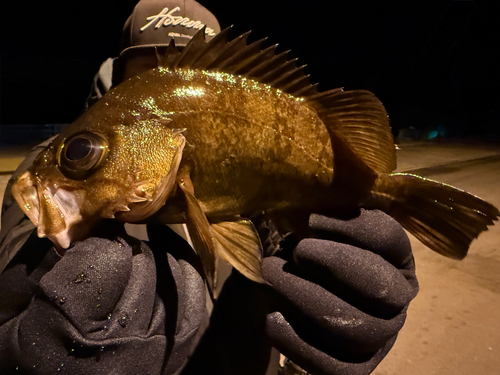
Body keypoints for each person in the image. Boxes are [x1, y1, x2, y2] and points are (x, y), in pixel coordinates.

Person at [0, 1, 419, 374]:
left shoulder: (259, 174)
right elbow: (20, 235)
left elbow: (276, 242)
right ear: (118, 76)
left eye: (188, 66)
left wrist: (338, 311)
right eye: (150, 72)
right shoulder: (64, 155)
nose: (168, 82)